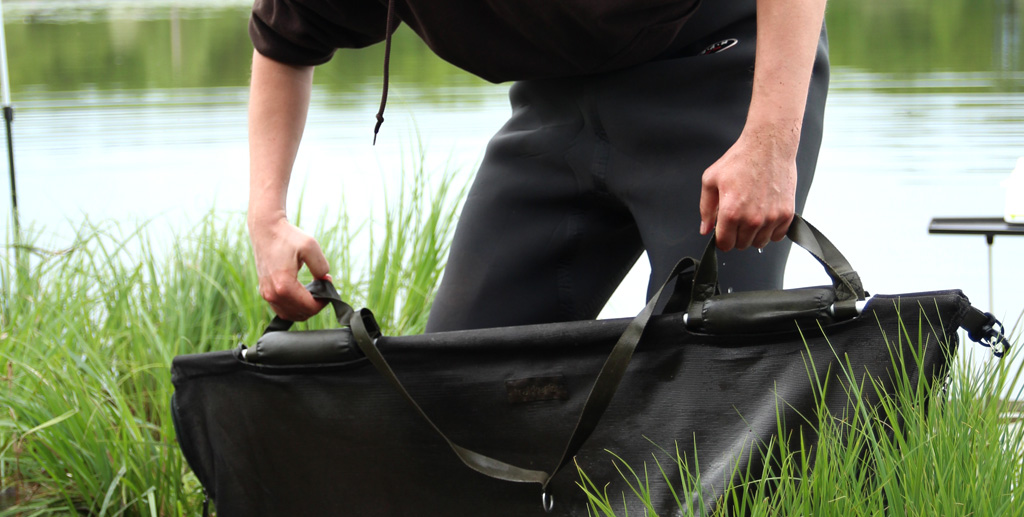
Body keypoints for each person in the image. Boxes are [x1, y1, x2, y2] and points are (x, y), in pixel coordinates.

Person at [246, 0, 830, 330]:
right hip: (557, 101)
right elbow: (284, 38)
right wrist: (267, 218)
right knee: (456, 380)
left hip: (717, 67)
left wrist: (770, 142)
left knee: (710, 373)